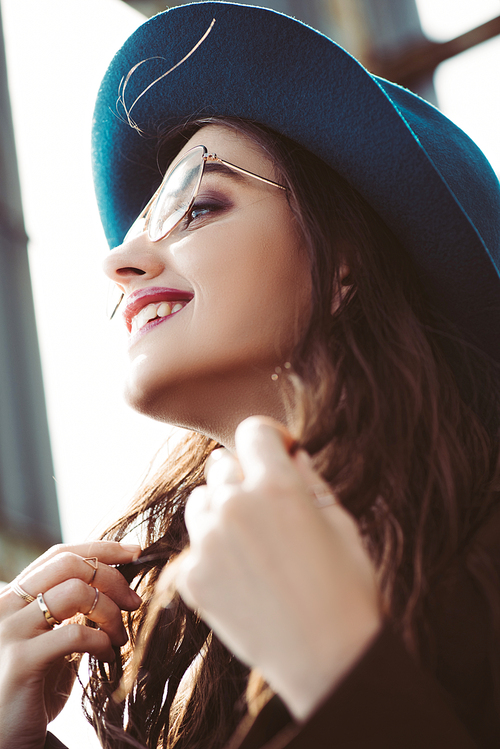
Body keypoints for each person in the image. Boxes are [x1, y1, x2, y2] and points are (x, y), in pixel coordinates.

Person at [1, 2, 500, 747]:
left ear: (343, 264)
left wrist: (339, 664)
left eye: (195, 205)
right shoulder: (169, 641)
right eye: (137, 227)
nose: (118, 260)